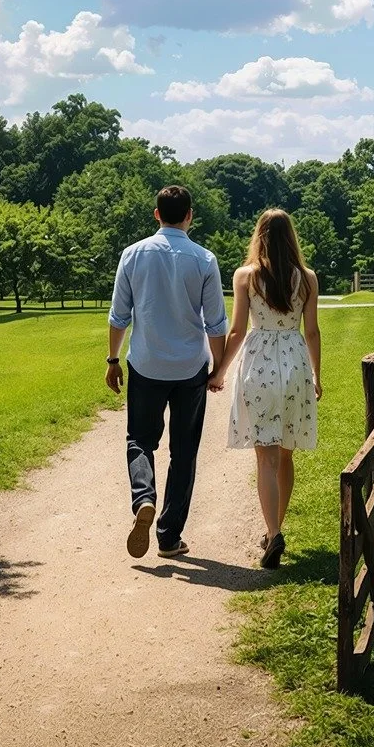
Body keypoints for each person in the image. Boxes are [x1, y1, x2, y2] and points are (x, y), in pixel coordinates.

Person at [107, 183, 228, 560]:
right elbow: (216, 325)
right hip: (190, 368)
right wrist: (218, 369)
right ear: (190, 215)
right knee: (184, 451)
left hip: (146, 364)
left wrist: (112, 359)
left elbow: (119, 316)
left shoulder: (132, 254)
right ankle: (168, 536)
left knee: (140, 440)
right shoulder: (204, 259)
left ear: (157, 214)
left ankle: (143, 497)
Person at [209, 208, 322, 569]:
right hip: (294, 363)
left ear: (259, 236)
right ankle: (275, 529)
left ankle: (273, 533)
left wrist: (219, 372)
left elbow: (238, 330)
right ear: (291, 238)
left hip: (259, 364)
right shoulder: (307, 278)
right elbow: (312, 331)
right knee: (286, 454)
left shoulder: (246, 276)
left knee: (266, 456)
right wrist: (317, 376)